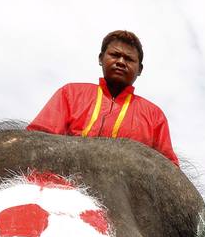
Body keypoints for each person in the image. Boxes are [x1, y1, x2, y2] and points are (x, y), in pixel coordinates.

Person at [28, 30, 178, 167]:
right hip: (63, 187)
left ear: (139, 69)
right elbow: (36, 142)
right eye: (114, 55)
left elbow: (169, 171)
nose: (120, 62)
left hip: (124, 196)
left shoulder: (154, 116)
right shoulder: (70, 93)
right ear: (101, 59)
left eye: (129, 59)